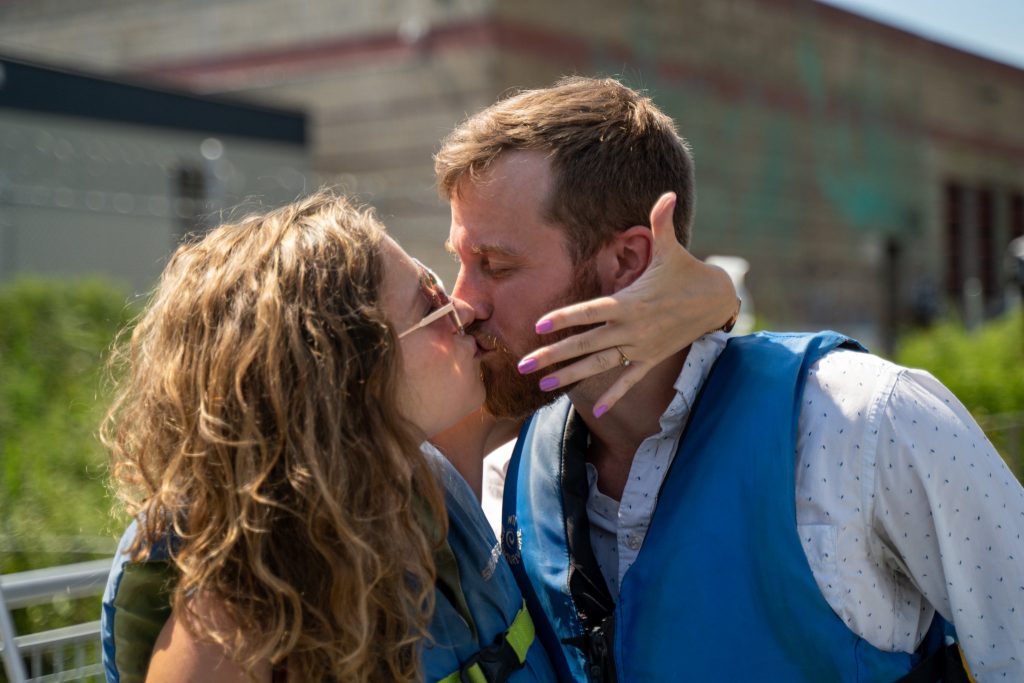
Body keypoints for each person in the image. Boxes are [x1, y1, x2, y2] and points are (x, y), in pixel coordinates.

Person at [435, 76, 1024, 682]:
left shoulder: (864, 423)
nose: (462, 302)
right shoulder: (508, 480)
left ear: (626, 262)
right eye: (458, 260)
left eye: (495, 265)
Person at [99, 189, 737, 682]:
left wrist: (716, 295)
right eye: (430, 302)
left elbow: (569, 355)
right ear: (346, 371)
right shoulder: (227, 614)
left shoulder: (422, 457)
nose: (462, 309)